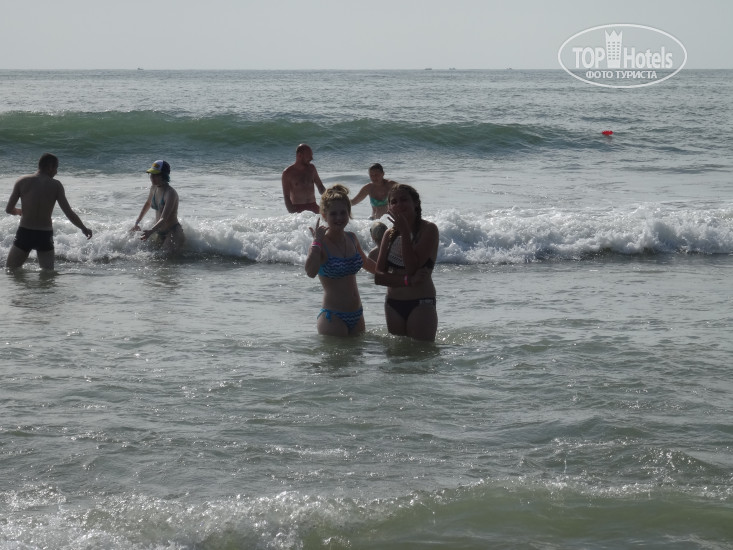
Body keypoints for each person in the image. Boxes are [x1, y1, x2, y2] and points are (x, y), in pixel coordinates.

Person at [305, 184, 376, 336]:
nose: (339, 218)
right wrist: (316, 243)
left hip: (357, 313)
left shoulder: (352, 238)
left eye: (343, 213)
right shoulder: (320, 244)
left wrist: (395, 275)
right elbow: (310, 272)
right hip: (333, 317)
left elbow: (367, 264)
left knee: (359, 352)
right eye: (333, 214)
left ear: (348, 213)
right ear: (324, 216)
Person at [5, 153, 92, 270]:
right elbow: (68, 212)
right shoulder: (56, 185)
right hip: (44, 235)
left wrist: (20, 211)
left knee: (11, 270)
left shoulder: (22, 181)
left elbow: (9, 209)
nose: (56, 172)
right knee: (47, 274)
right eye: (56, 168)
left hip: (25, 233)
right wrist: (83, 228)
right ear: (50, 167)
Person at [375, 183, 439, 342]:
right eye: (394, 202)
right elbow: (379, 277)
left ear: (415, 203)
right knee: (397, 355)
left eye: (404, 200)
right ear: (389, 207)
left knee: (421, 353)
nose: (399, 204)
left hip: (420, 303)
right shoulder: (389, 234)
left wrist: (404, 232)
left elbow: (412, 267)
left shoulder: (429, 229)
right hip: (393, 304)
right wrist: (408, 281)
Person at [130, 160, 184, 251]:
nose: (152, 177)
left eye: (155, 175)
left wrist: (151, 231)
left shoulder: (170, 193)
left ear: (163, 175)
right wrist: (137, 223)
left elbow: (164, 218)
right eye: (151, 174)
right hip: (159, 231)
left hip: (173, 232)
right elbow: (148, 203)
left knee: (165, 258)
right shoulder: (153, 188)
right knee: (153, 256)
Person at [281, 143, 326, 214]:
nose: (311, 158)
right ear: (299, 155)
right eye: (309, 156)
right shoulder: (287, 173)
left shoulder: (312, 168)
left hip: (313, 206)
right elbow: (286, 197)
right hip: (298, 209)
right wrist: (293, 214)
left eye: (311, 155)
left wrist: (330, 197)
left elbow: (320, 187)